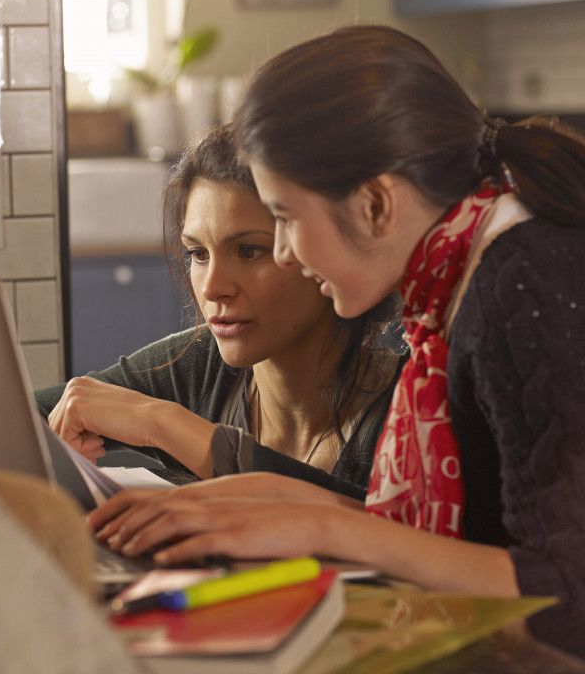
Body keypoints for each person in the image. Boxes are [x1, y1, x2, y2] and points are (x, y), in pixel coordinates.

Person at [87, 26, 585, 673]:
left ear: (377, 203)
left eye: (286, 219)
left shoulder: (530, 287)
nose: (287, 252)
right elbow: (480, 546)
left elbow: (572, 606)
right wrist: (277, 501)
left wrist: (326, 530)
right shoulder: (475, 275)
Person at [37, 124, 402, 499]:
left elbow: (386, 530)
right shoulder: (198, 365)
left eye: (249, 252)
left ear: (323, 249)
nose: (212, 287)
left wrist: (165, 424)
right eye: (198, 254)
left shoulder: (413, 404)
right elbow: (23, 419)